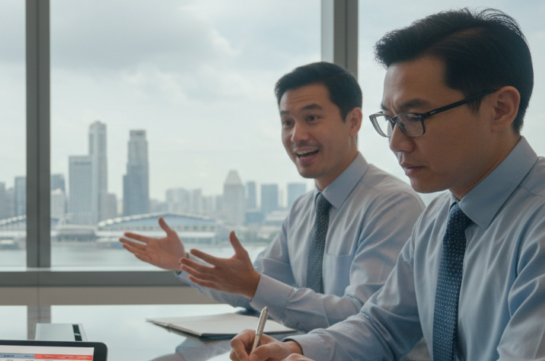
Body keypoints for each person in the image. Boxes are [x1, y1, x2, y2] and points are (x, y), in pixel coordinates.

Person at [231, 9, 545, 361]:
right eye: (391, 120)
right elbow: (382, 325)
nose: (398, 143)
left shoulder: (543, 223)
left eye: (416, 117)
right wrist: (296, 352)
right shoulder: (441, 216)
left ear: (500, 108)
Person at [121, 62, 424, 336]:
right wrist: (182, 262)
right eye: (287, 122)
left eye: (312, 118)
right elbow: (250, 288)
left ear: (354, 122)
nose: (296, 136)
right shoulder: (304, 209)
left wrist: (254, 285)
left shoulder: (392, 206)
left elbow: (363, 320)